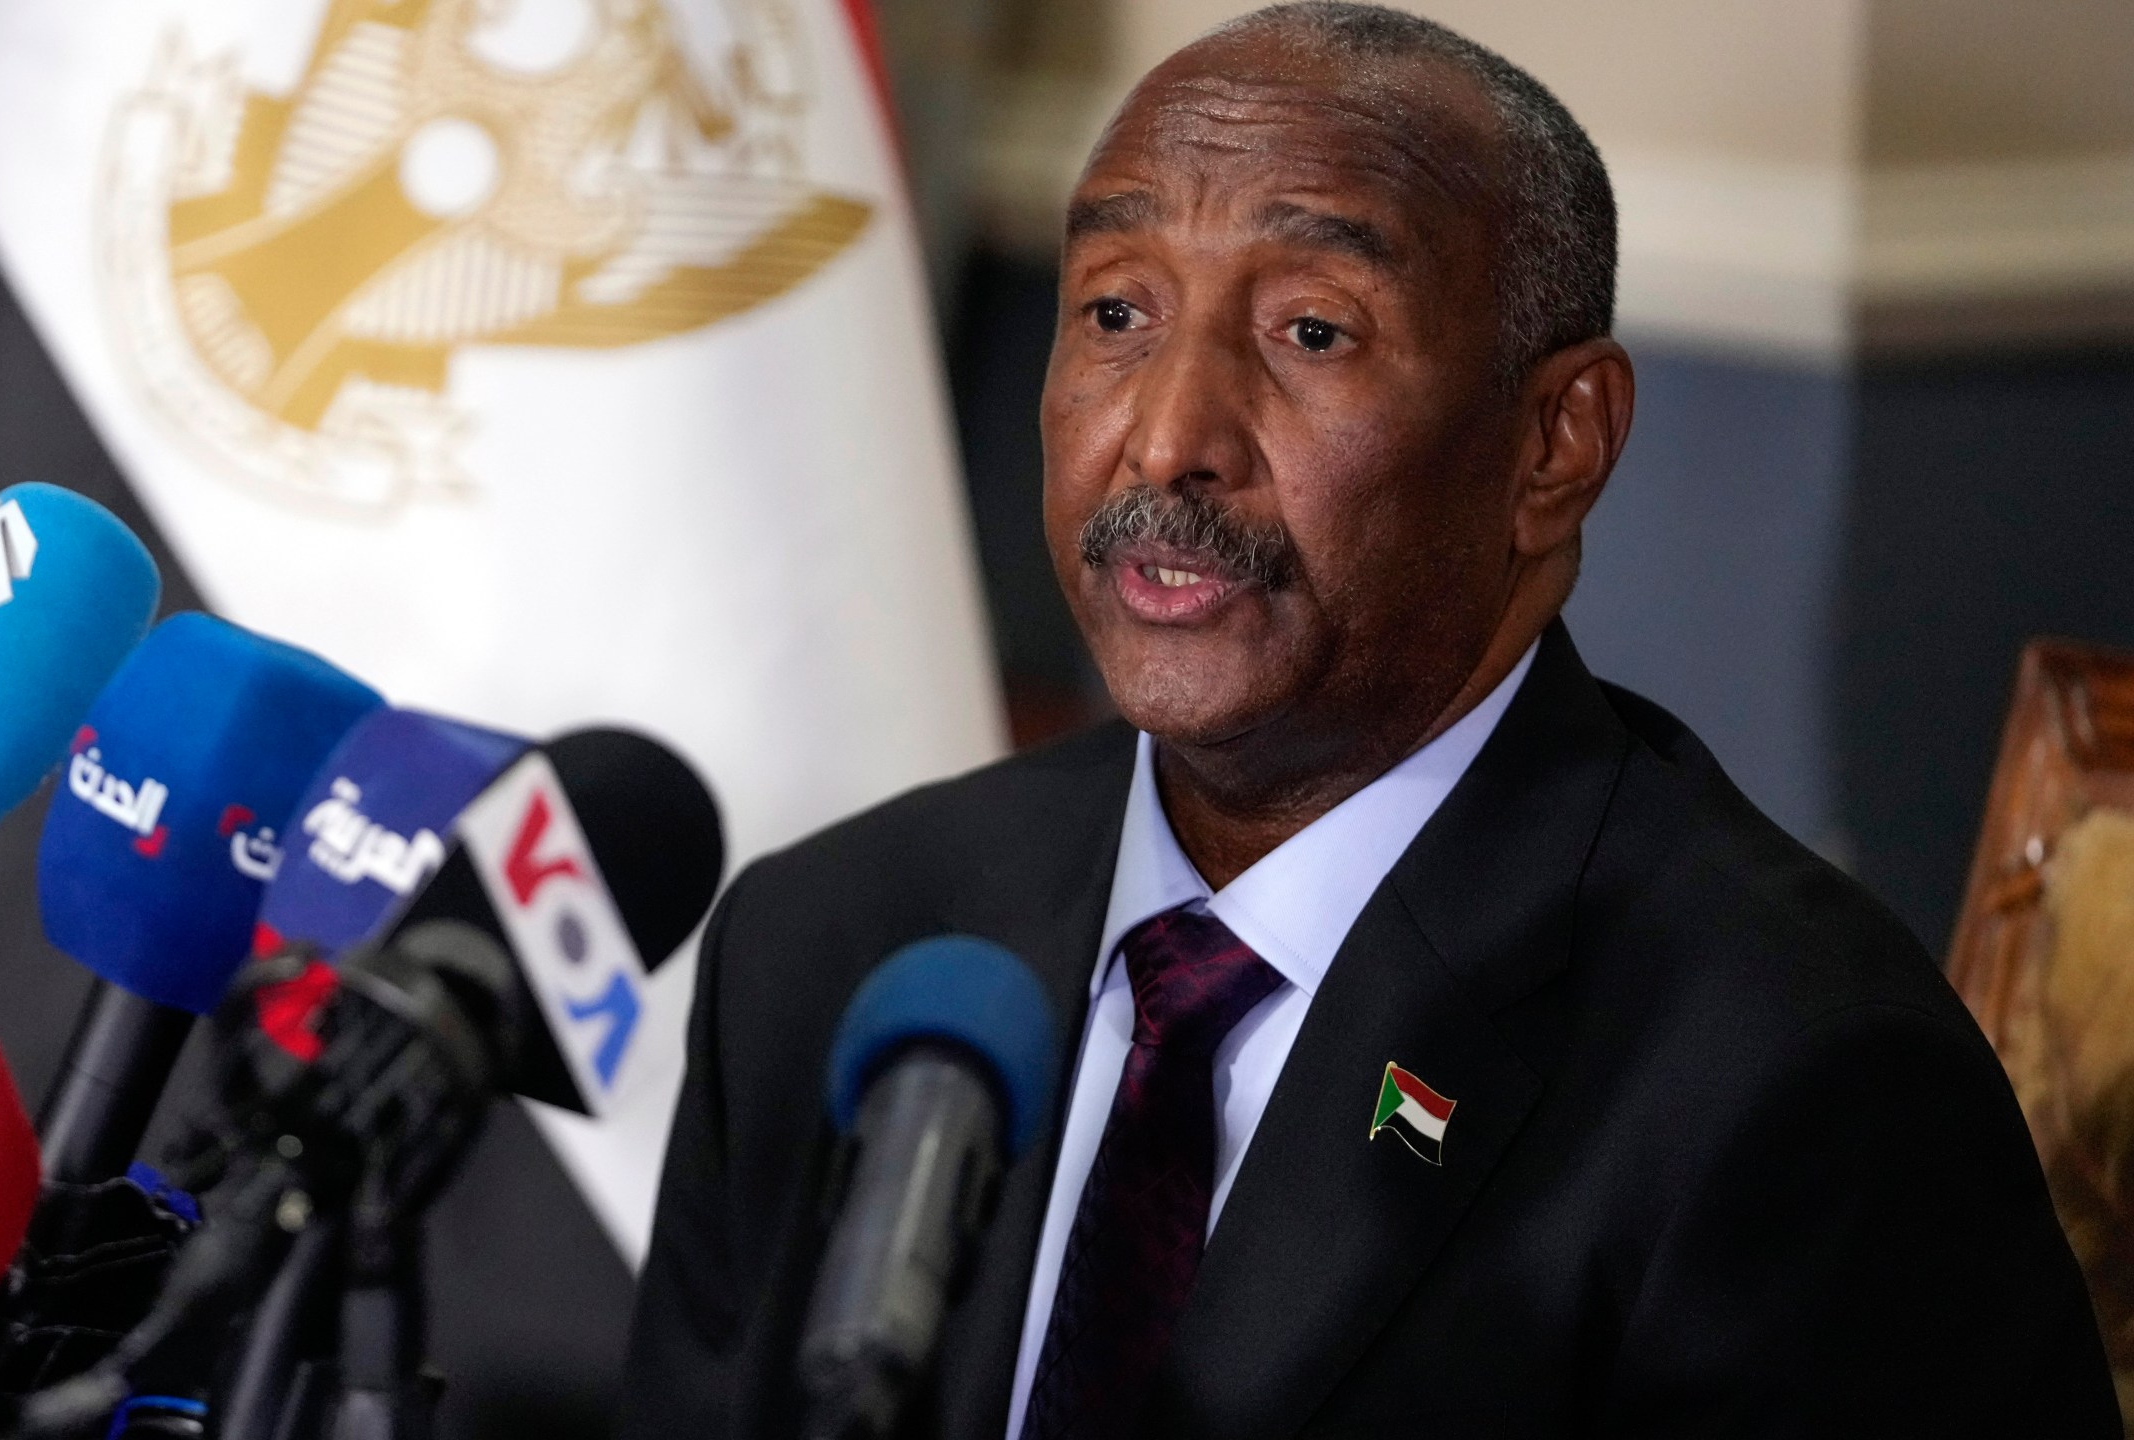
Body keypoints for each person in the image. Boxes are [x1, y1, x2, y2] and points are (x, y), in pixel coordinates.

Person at [615, 4, 2118, 1436]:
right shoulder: (836, 951)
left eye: (1313, 333)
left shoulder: (1788, 1082)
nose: (1169, 436)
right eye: (1117, 312)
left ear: (1555, 445)